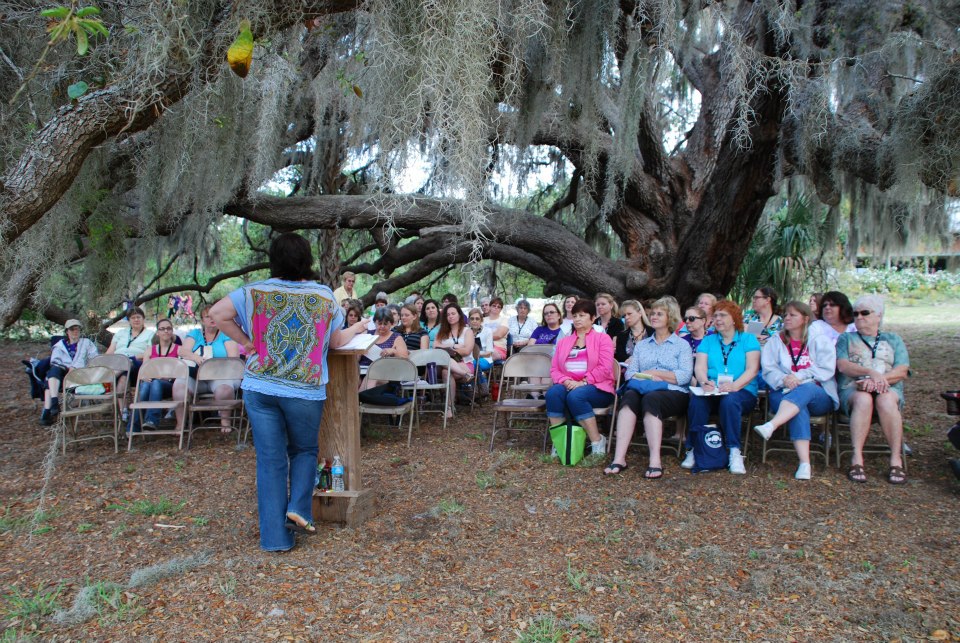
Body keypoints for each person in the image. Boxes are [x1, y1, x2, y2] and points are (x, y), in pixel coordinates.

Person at [210, 232, 367, 551]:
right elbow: (336, 342)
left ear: (274, 260)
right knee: (303, 451)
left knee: (270, 460)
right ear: (307, 260)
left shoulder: (254, 291)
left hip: (261, 386)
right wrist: (358, 328)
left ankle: (274, 539)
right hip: (303, 389)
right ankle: (297, 507)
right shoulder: (323, 295)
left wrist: (245, 342)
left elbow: (217, 315)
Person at [605, 298, 692, 478]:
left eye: (659, 314)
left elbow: (684, 377)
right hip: (644, 388)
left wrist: (655, 373)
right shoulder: (643, 345)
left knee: (652, 399)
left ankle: (655, 460)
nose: (653, 317)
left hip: (673, 392)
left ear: (671, 317)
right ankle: (619, 458)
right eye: (652, 313)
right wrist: (648, 376)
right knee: (629, 397)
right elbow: (630, 374)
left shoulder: (682, 345)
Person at [754, 301, 839, 480]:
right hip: (783, 391)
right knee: (798, 407)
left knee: (805, 389)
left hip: (818, 393)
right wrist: (783, 378)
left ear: (805, 318)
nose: (787, 318)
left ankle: (772, 425)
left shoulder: (818, 340)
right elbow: (768, 369)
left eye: (793, 315)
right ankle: (804, 463)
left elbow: (826, 369)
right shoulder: (776, 340)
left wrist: (799, 377)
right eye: (786, 314)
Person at [836, 294, 910, 484]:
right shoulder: (846, 338)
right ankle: (857, 458)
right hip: (853, 388)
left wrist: (879, 380)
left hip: (888, 388)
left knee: (885, 399)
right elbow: (843, 366)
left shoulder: (893, 339)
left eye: (865, 313)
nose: (859, 317)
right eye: (856, 313)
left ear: (879, 315)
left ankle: (895, 459)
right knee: (863, 399)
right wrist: (869, 373)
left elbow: (902, 370)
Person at [682, 300, 760, 474]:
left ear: (734, 319)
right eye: (715, 315)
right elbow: (700, 367)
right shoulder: (709, 341)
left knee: (730, 401)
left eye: (723, 315)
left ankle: (734, 451)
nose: (718, 319)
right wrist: (703, 381)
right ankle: (694, 448)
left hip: (742, 391)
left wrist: (734, 386)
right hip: (712, 390)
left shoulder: (748, 339)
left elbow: (752, 370)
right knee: (697, 401)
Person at [546, 299, 616, 457]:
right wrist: (565, 380)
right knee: (553, 394)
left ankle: (597, 441)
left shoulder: (602, 339)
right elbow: (554, 368)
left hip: (598, 386)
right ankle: (560, 442)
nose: (577, 319)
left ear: (592, 318)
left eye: (582, 315)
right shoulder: (564, 342)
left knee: (576, 396)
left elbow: (605, 368)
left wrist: (583, 382)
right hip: (569, 384)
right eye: (575, 315)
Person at [173, 305, 241, 433]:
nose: (211, 319)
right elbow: (183, 351)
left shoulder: (226, 334)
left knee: (224, 389)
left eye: (214, 315)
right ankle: (180, 424)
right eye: (207, 316)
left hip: (222, 375)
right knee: (179, 385)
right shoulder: (194, 334)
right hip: (197, 376)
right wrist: (196, 358)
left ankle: (225, 421)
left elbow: (234, 358)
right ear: (202, 320)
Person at [134, 319, 200, 432]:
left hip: (170, 384)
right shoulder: (150, 350)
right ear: (157, 332)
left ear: (172, 331)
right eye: (162, 329)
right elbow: (144, 370)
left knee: (155, 383)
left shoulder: (179, 349)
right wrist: (145, 377)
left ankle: (151, 420)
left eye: (168, 328)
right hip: (153, 383)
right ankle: (134, 426)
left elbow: (190, 362)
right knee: (145, 385)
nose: (166, 331)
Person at [39, 319, 99, 426]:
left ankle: (49, 409)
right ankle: (53, 402)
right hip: (63, 375)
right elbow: (55, 361)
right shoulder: (60, 345)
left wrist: (75, 367)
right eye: (72, 329)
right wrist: (67, 368)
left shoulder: (86, 343)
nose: (75, 332)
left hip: (81, 375)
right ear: (67, 331)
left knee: (49, 380)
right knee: (54, 371)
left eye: (77, 329)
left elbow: (95, 359)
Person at [105, 307, 155, 425]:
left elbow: (149, 353)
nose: (136, 320)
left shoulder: (150, 334)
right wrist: (104, 362)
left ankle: (107, 378)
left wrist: (132, 357)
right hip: (118, 364)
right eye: (133, 318)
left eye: (138, 317)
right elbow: (110, 351)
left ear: (143, 319)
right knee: (123, 378)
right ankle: (124, 412)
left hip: (137, 363)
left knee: (128, 363)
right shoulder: (121, 333)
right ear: (129, 320)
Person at [435, 303, 475, 417]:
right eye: (448, 315)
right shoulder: (442, 331)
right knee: (446, 371)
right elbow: (435, 347)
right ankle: (450, 408)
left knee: (445, 371)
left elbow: (467, 351)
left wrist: (449, 349)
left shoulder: (467, 331)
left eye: (453, 313)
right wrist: (454, 348)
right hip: (447, 363)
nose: (450, 316)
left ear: (459, 315)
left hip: (465, 363)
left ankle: (449, 409)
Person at [359, 308, 409, 391]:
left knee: (372, 376)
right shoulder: (367, 335)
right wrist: (359, 352)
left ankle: (360, 400)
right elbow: (355, 358)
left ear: (391, 324)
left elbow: (405, 360)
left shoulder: (396, 337)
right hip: (362, 371)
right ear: (374, 322)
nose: (382, 326)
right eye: (379, 323)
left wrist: (394, 351)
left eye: (385, 324)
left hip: (386, 375)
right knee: (353, 378)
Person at [614, 300, 652, 364]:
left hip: (650, 371)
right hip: (628, 371)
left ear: (640, 313)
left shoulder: (653, 332)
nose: (626, 317)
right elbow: (620, 357)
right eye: (624, 315)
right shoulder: (621, 335)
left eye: (629, 314)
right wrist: (626, 360)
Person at [468, 308, 494, 374]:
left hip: (485, 359)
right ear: (469, 321)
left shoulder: (487, 331)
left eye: (477, 319)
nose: (474, 321)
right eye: (472, 319)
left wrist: (475, 355)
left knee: (471, 364)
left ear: (481, 320)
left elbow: (489, 353)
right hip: (469, 359)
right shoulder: (466, 331)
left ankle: (478, 382)